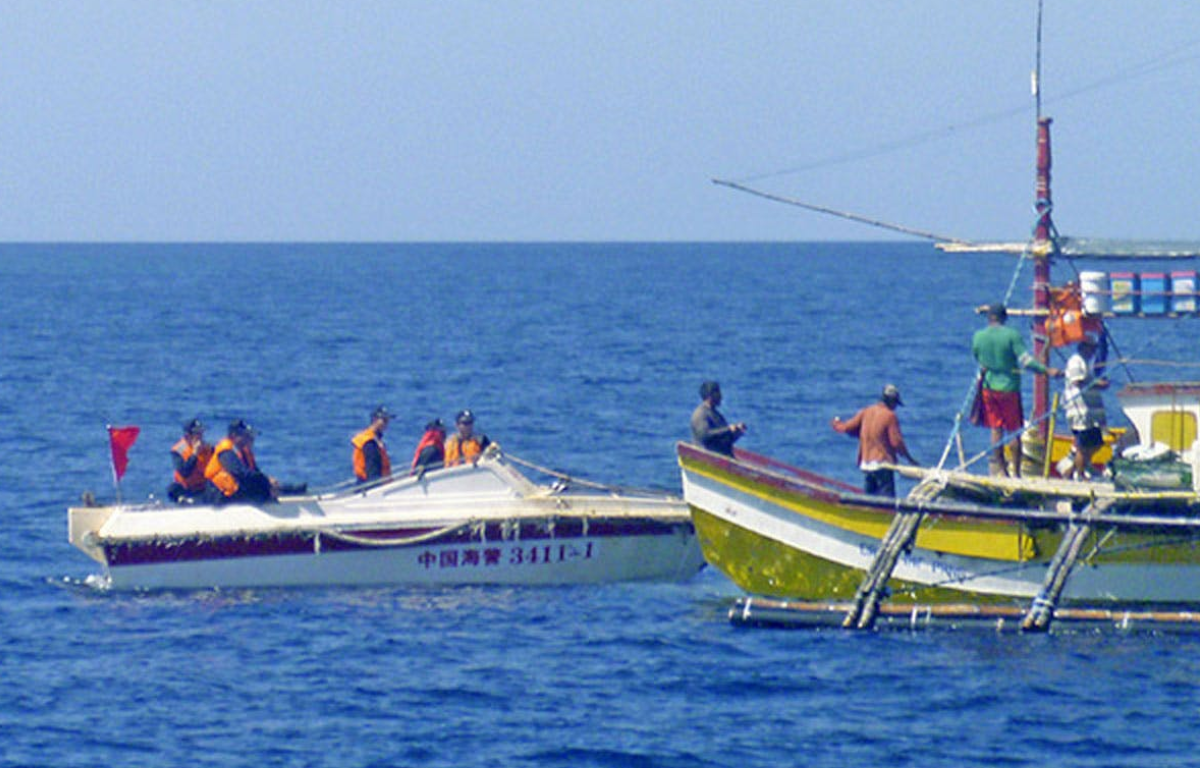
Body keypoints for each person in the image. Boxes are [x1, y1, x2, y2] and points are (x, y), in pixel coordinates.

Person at [971, 303, 1060, 477]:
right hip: (1009, 388)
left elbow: (979, 358)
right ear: (1004, 318)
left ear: (989, 318)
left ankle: (1001, 470)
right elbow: (1026, 361)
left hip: (988, 388)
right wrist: (1046, 370)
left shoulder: (978, 336)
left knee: (995, 429)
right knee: (1014, 430)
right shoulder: (1011, 335)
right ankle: (1017, 472)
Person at [831, 384, 919, 497]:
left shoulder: (866, 411)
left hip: (866, 464)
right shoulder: (890, 416)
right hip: (883, 465)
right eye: (895, 404)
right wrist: (910, 459)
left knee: (869, 499)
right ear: (891, 401)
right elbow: (896, 442)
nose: (895, 407)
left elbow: (846, 428)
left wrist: (836, 423)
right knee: (887, 501)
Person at [1063, 336, 1109, 480]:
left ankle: (1071, 469)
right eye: (1092, 348)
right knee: (1083, 446)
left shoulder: (1085, 362)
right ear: (1084, 347)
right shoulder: (1076, 361)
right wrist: (1098, 384)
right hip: (1080, 410)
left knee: (1095, 442)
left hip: (1090, 412)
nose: (1093, 352)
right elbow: (1078, 381)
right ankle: (1080, 474)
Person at [204, 419, 276, 504]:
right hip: (218, 496)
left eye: (251, 436)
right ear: (234, 436)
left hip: (233, 494)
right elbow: (239, 472)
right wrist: (266, 480)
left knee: (263, 486)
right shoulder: (226, 451)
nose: (251, 439)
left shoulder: (244, 452)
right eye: (246, 436)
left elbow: (254, 472)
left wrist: (269, 482)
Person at [691, 380, 746, 457]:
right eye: (718, 394)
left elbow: (725, 440)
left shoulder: (717, 415)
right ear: (710, 396)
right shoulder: (701, 414)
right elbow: (704, 435)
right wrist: (728, 429)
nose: (721, 397)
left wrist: (737, 432)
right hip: (707, 456)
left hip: (724, 456)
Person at [167, 418, 213, 503]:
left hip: (203, 486)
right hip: (186, 487)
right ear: (188, 435)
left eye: (201, 433)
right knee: (172, 489)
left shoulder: (209, 449)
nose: (200, 436)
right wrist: (195, 454)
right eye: (197, 433)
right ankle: (184, 501)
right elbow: (184, 472)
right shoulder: (178, 450)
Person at [351, 405, 394, 484]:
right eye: (384, 420)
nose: (386, 424)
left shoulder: (376, 440)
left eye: (387, 420)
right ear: (374, 420)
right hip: (368, 486)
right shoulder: (369, 443)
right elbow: (372, 472)